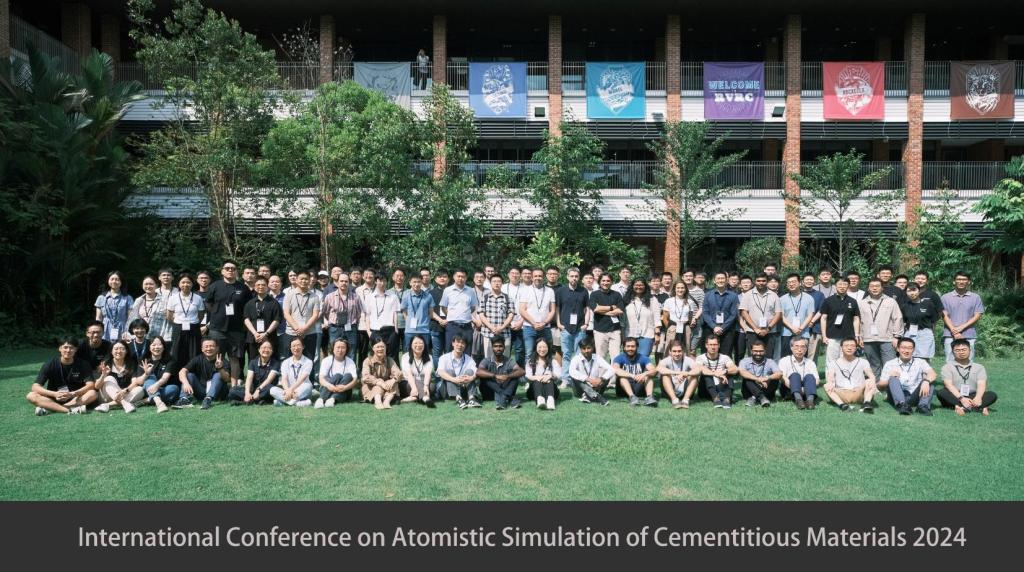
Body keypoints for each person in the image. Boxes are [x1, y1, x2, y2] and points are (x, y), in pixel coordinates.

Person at [206, 260, 252, 386]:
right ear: (222, 271)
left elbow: (248, 307)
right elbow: (208, 303)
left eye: (233, 268)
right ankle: (215, 384)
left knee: (234, 358)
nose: (230, 270)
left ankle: (234, 386)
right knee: (216, 357)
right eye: (227, 268)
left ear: (236, 271)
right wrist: (217, 313)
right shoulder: (215, 286)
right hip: (217, 329)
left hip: (236, 330)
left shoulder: (243, 288)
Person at [27, 336, 97, 415]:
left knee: (93, 393)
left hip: (75, 398)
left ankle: (52, 408)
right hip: (54, 397)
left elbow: (91, 385)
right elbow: (35, 387)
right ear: (60, 348)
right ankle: (69, 410)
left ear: (76, 349)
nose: (68, 350)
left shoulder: (83, 364)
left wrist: (73, 394)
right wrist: (54, 394)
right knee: (31, 395)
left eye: (71, 348)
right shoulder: (50, 364)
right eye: (65, 347)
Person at [938, 338, 998, 416]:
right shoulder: (947, 367)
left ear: (970, 350)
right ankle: (979, 407)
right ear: (952, 352)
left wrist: (978, 397)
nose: (961, 352)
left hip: (973, 395)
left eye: (964, 349)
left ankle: (960, 407)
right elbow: (948, 385)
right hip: (955, 395)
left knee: (992, 395)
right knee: (942, 393)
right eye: (957, 350)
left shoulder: (979, 367)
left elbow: (981, 384)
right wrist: (961, 398)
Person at [858, 278, 903, 380]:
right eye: (872, 286)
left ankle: (891, 385)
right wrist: (860, 336)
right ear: (868, 289)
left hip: (887, 338)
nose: (874, 288)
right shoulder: (862, 303)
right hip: (868, 338)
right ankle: (876, 385)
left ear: (882, 288)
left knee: (890, 364)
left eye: (877, 286)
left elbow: (898, 318)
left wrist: (896, 336)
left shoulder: (891, 301)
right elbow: (858, 321)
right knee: (873, 364)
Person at [882, 337, 936, 416]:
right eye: (903, 348)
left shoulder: (920, 362)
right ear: (898, 349)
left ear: (913, 350)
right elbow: (880, 385)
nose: (906, 351)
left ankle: (922, 406)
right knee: (893, 378)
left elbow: (933, 374)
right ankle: (902, 405)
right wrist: (889, 378)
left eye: (910, 348)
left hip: (914, 396)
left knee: (930, 380)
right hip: (895, 396)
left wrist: (926, 381)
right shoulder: (889, 364)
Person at [824, 338, 877, 413]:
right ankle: (842, 405)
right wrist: (830, 382)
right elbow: (830, 377)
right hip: (842, 393)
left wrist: (873, 381)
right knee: (826, 385)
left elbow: (871, 374)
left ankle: (866, 403)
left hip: (858, 392)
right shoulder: (834, 363)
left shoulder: (863, 361)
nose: (849, 348)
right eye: (846, 346)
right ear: (841, 347)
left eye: (852, 346)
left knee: (869, 381)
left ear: (856, 348)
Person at [176, 337, 230, 410]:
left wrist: (220, 368)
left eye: (211, 346)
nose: (209, 349)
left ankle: (208, 399)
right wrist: (186, 383)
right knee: (189, 375)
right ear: (202, 349)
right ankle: (184, 399)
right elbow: (182, 371)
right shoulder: (198, 359)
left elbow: (227, 379)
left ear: (217, 348)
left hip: (218, 392)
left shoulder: (223, 360)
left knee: (218, 375)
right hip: (201, 391)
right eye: (206, 347)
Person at [941, 271, 984, 363]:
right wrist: (954, 331)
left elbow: (977, 315)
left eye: (964, 279)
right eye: (959, 279)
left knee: (968, 362)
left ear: (969, 282)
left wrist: (961, 327)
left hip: (969, 334)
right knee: (950, 362)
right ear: (954, 281)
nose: (961, 282)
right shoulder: (945, 297)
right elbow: (944, 315)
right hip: (950, 335)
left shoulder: (975, 297)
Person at [283, 270, 323, 365]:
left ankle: (309, 375)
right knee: (290, 360)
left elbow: (315, 315)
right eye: (301, 279)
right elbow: (286, 313)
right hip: (291, 332)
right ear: (296, 280)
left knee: (309, 360)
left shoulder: (315, 297)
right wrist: (297, 328)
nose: (304, 281)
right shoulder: (289, 295)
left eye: (306, 279)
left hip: (309, 332)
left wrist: (304, 328)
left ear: (309, 280)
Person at [93, 340, 144, 413]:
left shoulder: (131, 364)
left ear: (126, 351)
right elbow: (97, 386)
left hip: (124, 394)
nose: (119, 351)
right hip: (106, 396)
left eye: (122, 349)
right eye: (116, 349)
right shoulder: (105, 364)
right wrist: (103, 375)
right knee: (109, 378)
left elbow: (135, 382)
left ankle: (107, 405)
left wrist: (126, 390)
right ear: (111, 351)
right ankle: (124, 403)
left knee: (140, 389)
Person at [166, 273, 206, 366]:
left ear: (192, 284)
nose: (185, 284)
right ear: (179, 284)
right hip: (178, 328)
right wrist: (178, 323)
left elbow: (201, 315)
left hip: (194, 327)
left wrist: (192, 322)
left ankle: (193, 372)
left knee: (194, 351)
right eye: (183, 282)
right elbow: (169, 316)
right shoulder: (173, 298)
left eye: (188, 282)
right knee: (177, 352)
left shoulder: (198, 298)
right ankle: (177, 372)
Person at [739, 273, 782, 358]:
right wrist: (755, 328)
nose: (761, 283)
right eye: (758, 281)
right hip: (752, 332)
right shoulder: (748, 294)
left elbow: (778, 313)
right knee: (753, 357)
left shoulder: (774, 295)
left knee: (768, 357)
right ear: (754, 282)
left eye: (763, 281)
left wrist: (768, 329)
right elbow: (744, 312)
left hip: (769, 332)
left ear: (767, 281)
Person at [819, 277, 861, 362]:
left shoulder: (853, 301)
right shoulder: (828, 300)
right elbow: (823, 318)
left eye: (845, 284)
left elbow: (856, 319)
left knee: (847, 360)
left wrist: (856, 335)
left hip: (848, 336)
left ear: (848, 286)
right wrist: (824, 336)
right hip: (831, 336)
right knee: (831, 361)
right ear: (835, 285)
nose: (842, 286)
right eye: (840, 284)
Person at [476, 337, 525, 410]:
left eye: (500, 346)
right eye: (495, 346)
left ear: (504, 347)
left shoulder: (509, 361)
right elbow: (478, 372)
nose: (498, 349)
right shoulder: (486, 360)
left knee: (514, 376)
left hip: (505, 388)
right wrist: (495, 376)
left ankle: (504, 397)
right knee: (485, 378)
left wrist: (507, 376)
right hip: (489, 394)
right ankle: (508, 397)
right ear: (492, 348)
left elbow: (522, 371)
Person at [242, 276, 282, 364]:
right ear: (254, 287)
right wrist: (255, 333)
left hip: (269, 337)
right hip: (253, 338)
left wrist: (266, 333)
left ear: (267, 286)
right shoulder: (249, 303)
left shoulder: (274, 303)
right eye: (258, 285)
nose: (260, 287)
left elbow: (277, 319)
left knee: (271, 361)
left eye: (263, 285)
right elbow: (246, 319)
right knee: (253, 361)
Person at [519, 267, 556, 363]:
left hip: (545, 327)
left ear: (543, 277)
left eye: (540, 276)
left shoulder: (550, 291)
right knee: (529, 353)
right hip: (529, 327)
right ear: (532, 277)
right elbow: (522, 310)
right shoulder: (525, 290)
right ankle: (529, 372)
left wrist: (544, 323)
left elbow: (552, 310)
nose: (538, 278)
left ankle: (547, 370)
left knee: (547, 352)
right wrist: (533, 323)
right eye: (535, 276)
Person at [227, 339, 279, 406]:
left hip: (266, 389)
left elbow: (269, 380)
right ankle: (258, 400)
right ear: (259, 350)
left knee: (271, 388)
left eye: (269, 348)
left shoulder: (276, 363)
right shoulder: (253, 362)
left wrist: (258, 390)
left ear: (272, 351)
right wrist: (247, 393)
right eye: (263, 347)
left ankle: (244, 402)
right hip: (254, 390)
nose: (266, 350)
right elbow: (249, 379)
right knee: (233, 391)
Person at [438, 269, 479, 352]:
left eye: (463, 277)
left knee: (467, 351)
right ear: (454, 277)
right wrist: (452, 315)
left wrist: (464, 314)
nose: (460, 278)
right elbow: (443, 307)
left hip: (467, 326)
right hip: (452, 326)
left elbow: (473, 307)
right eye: (458, 276)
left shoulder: (471, 291)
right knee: (449, 350)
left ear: (466, 278)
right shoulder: (447, 290)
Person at [588, 274, 625, 368]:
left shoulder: (616, 294)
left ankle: (613, 377)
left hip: (615, 330)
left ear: (611, 282)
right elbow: (595, 309)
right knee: (601, 357)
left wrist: (602, 311)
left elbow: (620, 310)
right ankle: (602, 376)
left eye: (608, 281)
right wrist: (612, 307)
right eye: (603, 281)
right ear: (599, 282)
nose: (605, 283)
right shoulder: (594, 294)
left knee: (616, 357)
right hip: (599, 330)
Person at [702, 272, 739, 358]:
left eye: (722, 278)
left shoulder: (733, 296)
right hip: (710, 329)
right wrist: (714, 326)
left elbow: (733, 314)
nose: (720, 280)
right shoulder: (708, 295)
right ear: (714, 281)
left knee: (726, 355)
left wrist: (723, 327)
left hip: (727, 330)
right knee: (710, 354)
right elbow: (705, 312)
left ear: (727, 280)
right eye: (718, 278)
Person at [436, 335, 480, 409]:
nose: (460, 345)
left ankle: (471, 399)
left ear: (465, 346)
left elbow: (477, 372)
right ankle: (459, 399)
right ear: (453, 343)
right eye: (458, 342)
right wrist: (454, 379)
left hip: (463, 388)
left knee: (470, 371)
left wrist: (471, 378)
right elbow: (440, 372)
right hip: (447, 389)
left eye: (462, 343)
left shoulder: (469, 359)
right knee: (449, 372)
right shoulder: (444, 357)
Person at [622, 278, 661, 360]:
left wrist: (657, 334)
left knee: (643, 357)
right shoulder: (626, 300)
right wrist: (622, 334)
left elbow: (657, 317)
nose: (638, 287)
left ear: (645, 286)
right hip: (629, 334)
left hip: (647, 334)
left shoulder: (652, 300)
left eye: (641, 285)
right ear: (632, 286)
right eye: (636, 285)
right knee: (630, 358)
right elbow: (622, 318)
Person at [695, 335, 738, 409]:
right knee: (706, 374)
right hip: (706, 390)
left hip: (721, 386)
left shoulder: (724, 357)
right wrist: (715, 374)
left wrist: (724, 372)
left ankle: (727, 399)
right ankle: (716, 399)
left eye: (715, 344)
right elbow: (699, 368)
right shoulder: (700, 358)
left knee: (730, 373)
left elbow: (735, 369)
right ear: (706, 345)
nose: (713, 347)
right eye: (710, 344)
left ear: (719, 345)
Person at [478, 274, 514, 362]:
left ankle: (504, 371)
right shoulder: (485, 297)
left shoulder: (508, 298)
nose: (496, 283)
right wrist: (491, 327)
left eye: (499, 281)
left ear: (502, 283)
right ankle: (489, 371)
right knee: (489, 358)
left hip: (504, 333)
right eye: (494, 281)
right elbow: (481, 314)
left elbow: (511, 314)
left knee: (505, 357)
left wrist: (502, 327)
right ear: (490, 283)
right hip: (488, 333)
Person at [612, 337, 658, 406]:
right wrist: (632, 376)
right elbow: (615, 369)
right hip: (623, 389)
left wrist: (644, 374)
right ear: (624, 348)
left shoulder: (643, 358)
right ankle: (632, 397)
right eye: (628, 346)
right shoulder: (619, 358)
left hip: (639, 386)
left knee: (648, 377)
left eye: (633, 346)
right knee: (622, 378)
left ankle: (650, 397)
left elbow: (654, 370)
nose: (630, 348)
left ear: (637, 347)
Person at [661, 280, 700, 359]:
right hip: (673, 328)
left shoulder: (690, 302)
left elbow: (690, 317)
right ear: (674, 289)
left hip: (685, 328)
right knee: (669, 348)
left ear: (685, 289)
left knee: (686, 348)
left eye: (682, 288)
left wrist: (688, 326)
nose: (680, 290)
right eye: (678, 288)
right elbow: (665, 317)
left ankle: (684, 365)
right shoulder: (669, 301)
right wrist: (670, 327)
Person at [323, 272, 362, 352]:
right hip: (335, 328)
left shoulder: (356, 297)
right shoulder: (329, 297)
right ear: (337, 283)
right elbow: (325, 312)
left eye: (346, 281)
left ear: (349, 283)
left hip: (350, 328)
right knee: (335, 352)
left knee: (351, 352)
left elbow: (358, 313)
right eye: (341, 281)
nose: (344, 283)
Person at [779, 273, 816, 358]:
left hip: (803, 333)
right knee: (786, 358)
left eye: (793, 282)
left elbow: (810, 314)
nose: (791, 284)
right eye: (789, 282)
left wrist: (801, 328)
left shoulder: (809, 298)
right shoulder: (782, 299)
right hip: (786, 333)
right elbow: (781, 316)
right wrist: (792, 327)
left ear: (799, 283)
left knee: (801, 357)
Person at [567, 339, 613, 406]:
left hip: (595, 386)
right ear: (580, 349)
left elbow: (612, 369)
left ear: (592, 348)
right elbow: (571, 371)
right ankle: (597, 396)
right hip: (580, 390)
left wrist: (600, 379)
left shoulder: (597, 357)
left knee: (606, 377)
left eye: (588, 348)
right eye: (584, 348)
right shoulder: (576, 358)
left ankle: (587, 395)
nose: (586, 351)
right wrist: (589, 380)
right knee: (575, 377)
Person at [138, 336, 178, 413]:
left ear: (163, 347)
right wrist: (146, 374)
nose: (156, 347)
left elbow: (165, 378)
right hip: (146, 389)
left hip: (162, 388)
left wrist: (156, 385)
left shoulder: (170, 360)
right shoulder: (143, 360)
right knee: (150, 378)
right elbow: (139, 382)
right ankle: (159, 403)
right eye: (153, 345)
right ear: (149, 347)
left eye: (159, 345)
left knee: (174, 388)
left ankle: (146, 400)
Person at [737, 340, 782, 407]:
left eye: (761, 351)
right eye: (755, 351)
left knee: (775, 379)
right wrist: (757, 379)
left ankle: (753, 398)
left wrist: (767, 378)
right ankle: (762, 398)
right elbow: (741, 372)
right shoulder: (744, 361)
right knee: (747, 378)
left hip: (766, 389)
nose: (758, 353)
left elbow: (779, 374)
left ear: (765, 351)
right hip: (749, 391)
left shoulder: (770, 361)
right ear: (751, 351)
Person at [366, 274, 400, 360]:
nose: (382, 283)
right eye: (380, 281)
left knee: (392, 355)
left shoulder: (393, 296)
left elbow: (395, 314)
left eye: (385, 281)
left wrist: (396, 330)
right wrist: (368, 332)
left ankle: (393, 369)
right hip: (375, 330)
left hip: (390, 330)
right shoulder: (369, 297)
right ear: (376, 281)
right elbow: (367, 315)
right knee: (377, 355)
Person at [778, 337, 819, 410]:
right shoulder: (784, 360)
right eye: (796, 346)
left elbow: (817, 380)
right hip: (789, 389)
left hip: (806, 390)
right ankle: (799, 400)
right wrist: (798, 389)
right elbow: (782, 378)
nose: (799, 350)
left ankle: (810, 401)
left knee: (810, 376)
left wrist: (804, 389)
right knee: (795, 375)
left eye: (803, 347)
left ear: (806, 349)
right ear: (791, 348)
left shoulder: (810, 363)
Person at [272, 337, 314, 407]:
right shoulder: (285, 362)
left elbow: (302, 379)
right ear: (290, 348)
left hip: (302, 391)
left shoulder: (308, 362)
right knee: (272, 390)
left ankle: (284, 402)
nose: (296, 348)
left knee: (308, 386)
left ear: (303, 347)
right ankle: (298, 403)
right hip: (288, 390)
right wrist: (287, 390)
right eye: (293, 346)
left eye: (298, 345)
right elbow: (284, 379)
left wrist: (290, 390)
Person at [400, 275, 434, 361]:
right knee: (408, 353)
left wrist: (425, 322)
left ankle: (424, 369)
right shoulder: (406, 295)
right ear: (410, 283)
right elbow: (404, 311)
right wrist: (408, 321)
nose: (416, 284)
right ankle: (408, 369)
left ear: (422, 282)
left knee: (425, 354)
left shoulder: (428, 296)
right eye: (414, 282)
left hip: (424, 330)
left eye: (419, 282)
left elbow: (430, 313)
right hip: (410, 330)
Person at [901, 283, 938, 360]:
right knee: (908, 357)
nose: (912, 293)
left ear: (919, 291)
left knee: (923, 359)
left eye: (914, 290)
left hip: (924, 333)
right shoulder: (905, 306)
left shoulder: (928, 304)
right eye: (909, 291)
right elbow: (903, 322)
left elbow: (934, 320)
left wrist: (932, 332)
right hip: (909, 333)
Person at [657, 339, 698, 409]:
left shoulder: (687, 359)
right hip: (669, 391)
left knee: (694, 377)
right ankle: (674, 400)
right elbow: (659, 368)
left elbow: (698, 369)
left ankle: (685, 400)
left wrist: (687, 373)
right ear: (670, 352)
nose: (677, 354)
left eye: (679, 351)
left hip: (685, 390)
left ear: (683, 351)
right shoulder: (666, 360)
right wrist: (679, 373)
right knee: (665, 376)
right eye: (674, 351)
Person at [94, 270, 133, 342]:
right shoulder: (101, 297)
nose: (114, 281)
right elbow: (98, 318)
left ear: (121, 282)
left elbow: (130, 318)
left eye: (117, 279)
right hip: (105, 329)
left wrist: (128, 331)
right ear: (108, 281)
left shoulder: (128, 298)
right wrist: (97, 330)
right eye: (112, 279)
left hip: (122, 329)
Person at [428, 270, 449, 393]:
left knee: (448, 352)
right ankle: (438, 376)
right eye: (440, 277)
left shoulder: (451, 291)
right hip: (436, 326)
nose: (442, 279)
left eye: (444, 276)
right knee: (437, 353)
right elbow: (429, 310)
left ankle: (448, 376)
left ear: (448, 279)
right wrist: (440, 320)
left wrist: (449, 319)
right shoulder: (431, 293)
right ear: (435, 279)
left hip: (450, 326)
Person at [502, 267, 528, 367]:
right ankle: (505, 369)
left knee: (520, 349)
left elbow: (528, 308)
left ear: (520, 275)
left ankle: (519, 371)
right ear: (508, 275)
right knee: (505, 348)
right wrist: (507, 322)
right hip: (505, 324)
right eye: (512, 273)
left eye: (517, 273)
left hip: (520, 324)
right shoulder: (503, 287)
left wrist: (521, 322)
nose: (514, 275)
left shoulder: (525, 289)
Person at [128, 276, 167, 342]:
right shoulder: (138, 300)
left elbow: (166, 321)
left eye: (151, 284)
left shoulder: (164, 300)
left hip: (158, 337)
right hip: (141, 336)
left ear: (156, 286)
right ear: (142, 286)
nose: (148, 286)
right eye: (146, 284)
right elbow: (132, 319)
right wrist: (130, 335)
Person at [525, 338, 560, 410]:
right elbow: (528, 376)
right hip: (534, 391)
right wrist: (538, 377)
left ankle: (550, 401)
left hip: (551, 390)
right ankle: (540, 400)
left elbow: (559, 375)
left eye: (544, 347)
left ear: (548, 348)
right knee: (537, 380)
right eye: (540, 347)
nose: (542, 349)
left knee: (549, 379)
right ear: (535, 348)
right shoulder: (531, 362)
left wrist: (550, 376)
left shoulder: (553, 361)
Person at [399, 335, 434, 407]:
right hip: (408, 383)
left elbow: (428, 374)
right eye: (415, 343)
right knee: (417, 383)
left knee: (432, 387)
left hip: (423, 382)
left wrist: (426, 386)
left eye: (421, 343)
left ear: (424, 345)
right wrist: (414, 388)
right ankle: (425, 398)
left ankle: (414, 397)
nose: (418, 345)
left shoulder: (429, 357)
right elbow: (409, 374)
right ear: (411, 345)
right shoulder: (405, 357)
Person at [800, 273, 826, 362]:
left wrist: (812, 321)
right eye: (807, 279)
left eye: (811, 279)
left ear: (814, 281)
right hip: (800, 329)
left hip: (814, 328)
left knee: (812, 354)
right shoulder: (798, 294)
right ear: (802, 282)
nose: (809, 281)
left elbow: (821, 310)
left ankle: (811, 370)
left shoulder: (820, 295)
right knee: (800, 351)